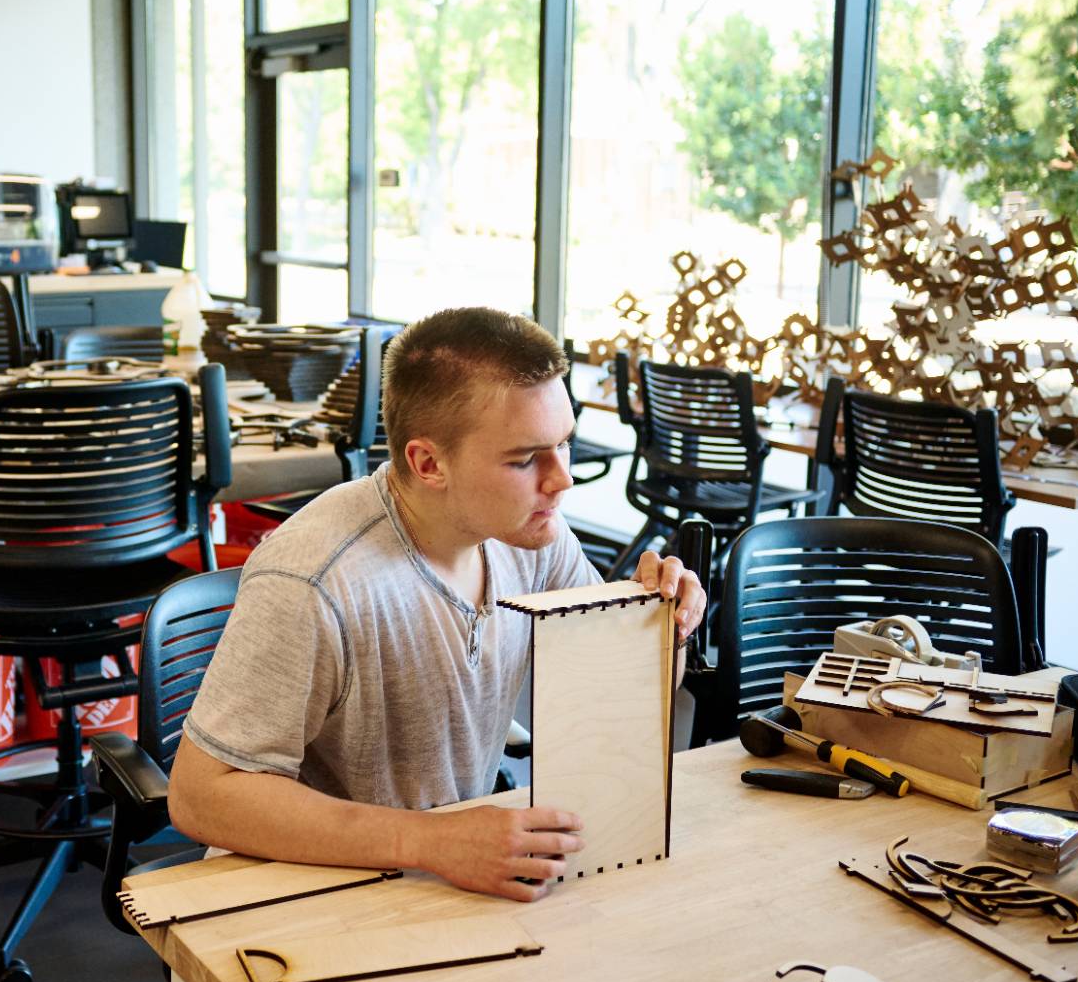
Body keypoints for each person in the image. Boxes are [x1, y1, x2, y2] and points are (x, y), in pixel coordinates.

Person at [168, 307, 706, 902]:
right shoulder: (315, 580)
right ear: (428, 464)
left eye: (565, 445)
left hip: (446, 872)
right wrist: (432, 841)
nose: (562, 480)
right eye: (525, 459)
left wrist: (657, 629)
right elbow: (202, 795)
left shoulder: (530, 535)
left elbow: (612, 701)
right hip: (311, 886)